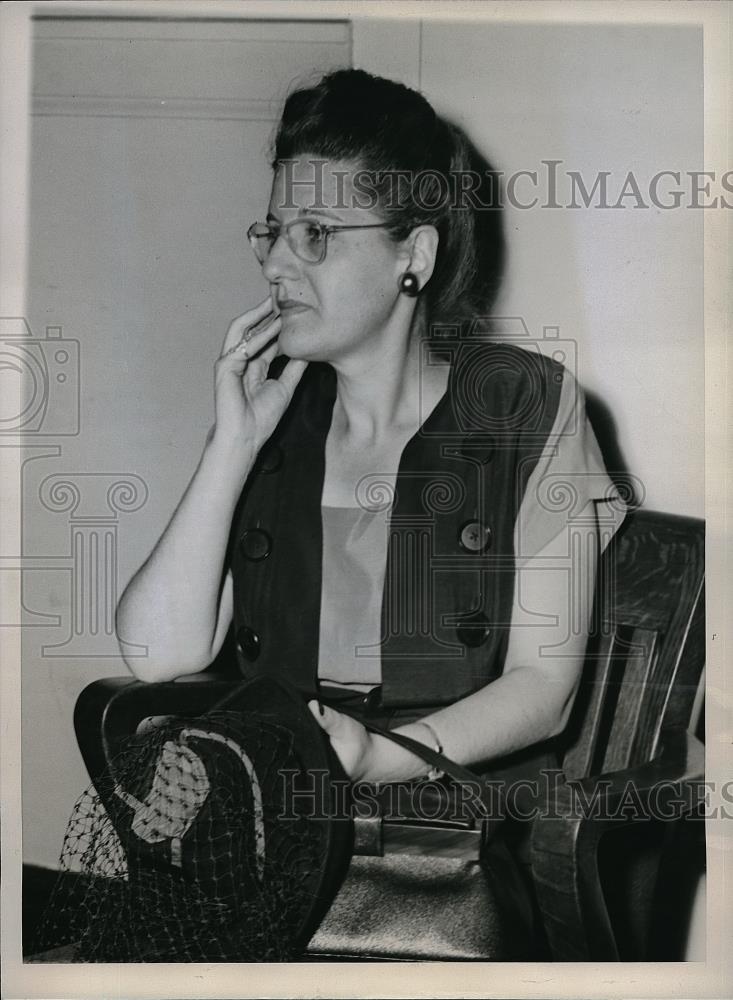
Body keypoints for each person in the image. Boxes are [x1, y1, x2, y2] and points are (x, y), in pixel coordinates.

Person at [116, 68, 627, 952]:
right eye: (273, 230)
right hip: (264, 838)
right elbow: (156, 651)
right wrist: (230, 446)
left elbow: (544, 692)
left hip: (443, 858)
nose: (275, 260)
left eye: (314, 233)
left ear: (413, 257)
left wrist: (370, 758)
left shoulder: (526, 406)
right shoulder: (277, 417)